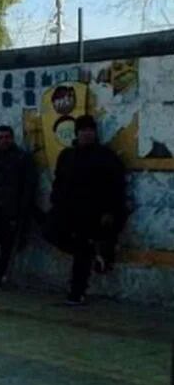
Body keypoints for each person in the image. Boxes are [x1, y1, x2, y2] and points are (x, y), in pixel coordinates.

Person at [49, 115, 127, 305]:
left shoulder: (106, 156)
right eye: (83, 130)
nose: (87, 134)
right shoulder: (67, 155)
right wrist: (56, 202)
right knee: (53, 234)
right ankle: (95, 254)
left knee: (82, 250)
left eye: (90, 130)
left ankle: (77, 292)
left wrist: (110, 211)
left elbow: (117, 186)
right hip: (68, 212)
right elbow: (59, 182)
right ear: (77, 133)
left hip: (93, 213)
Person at [0, 126, 37, 291]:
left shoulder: (21, 158)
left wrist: (22, 208)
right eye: (1, 137)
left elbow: (28, 185)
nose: (4, 141)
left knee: (8, 246)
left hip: (12, 210)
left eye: (7, 137)